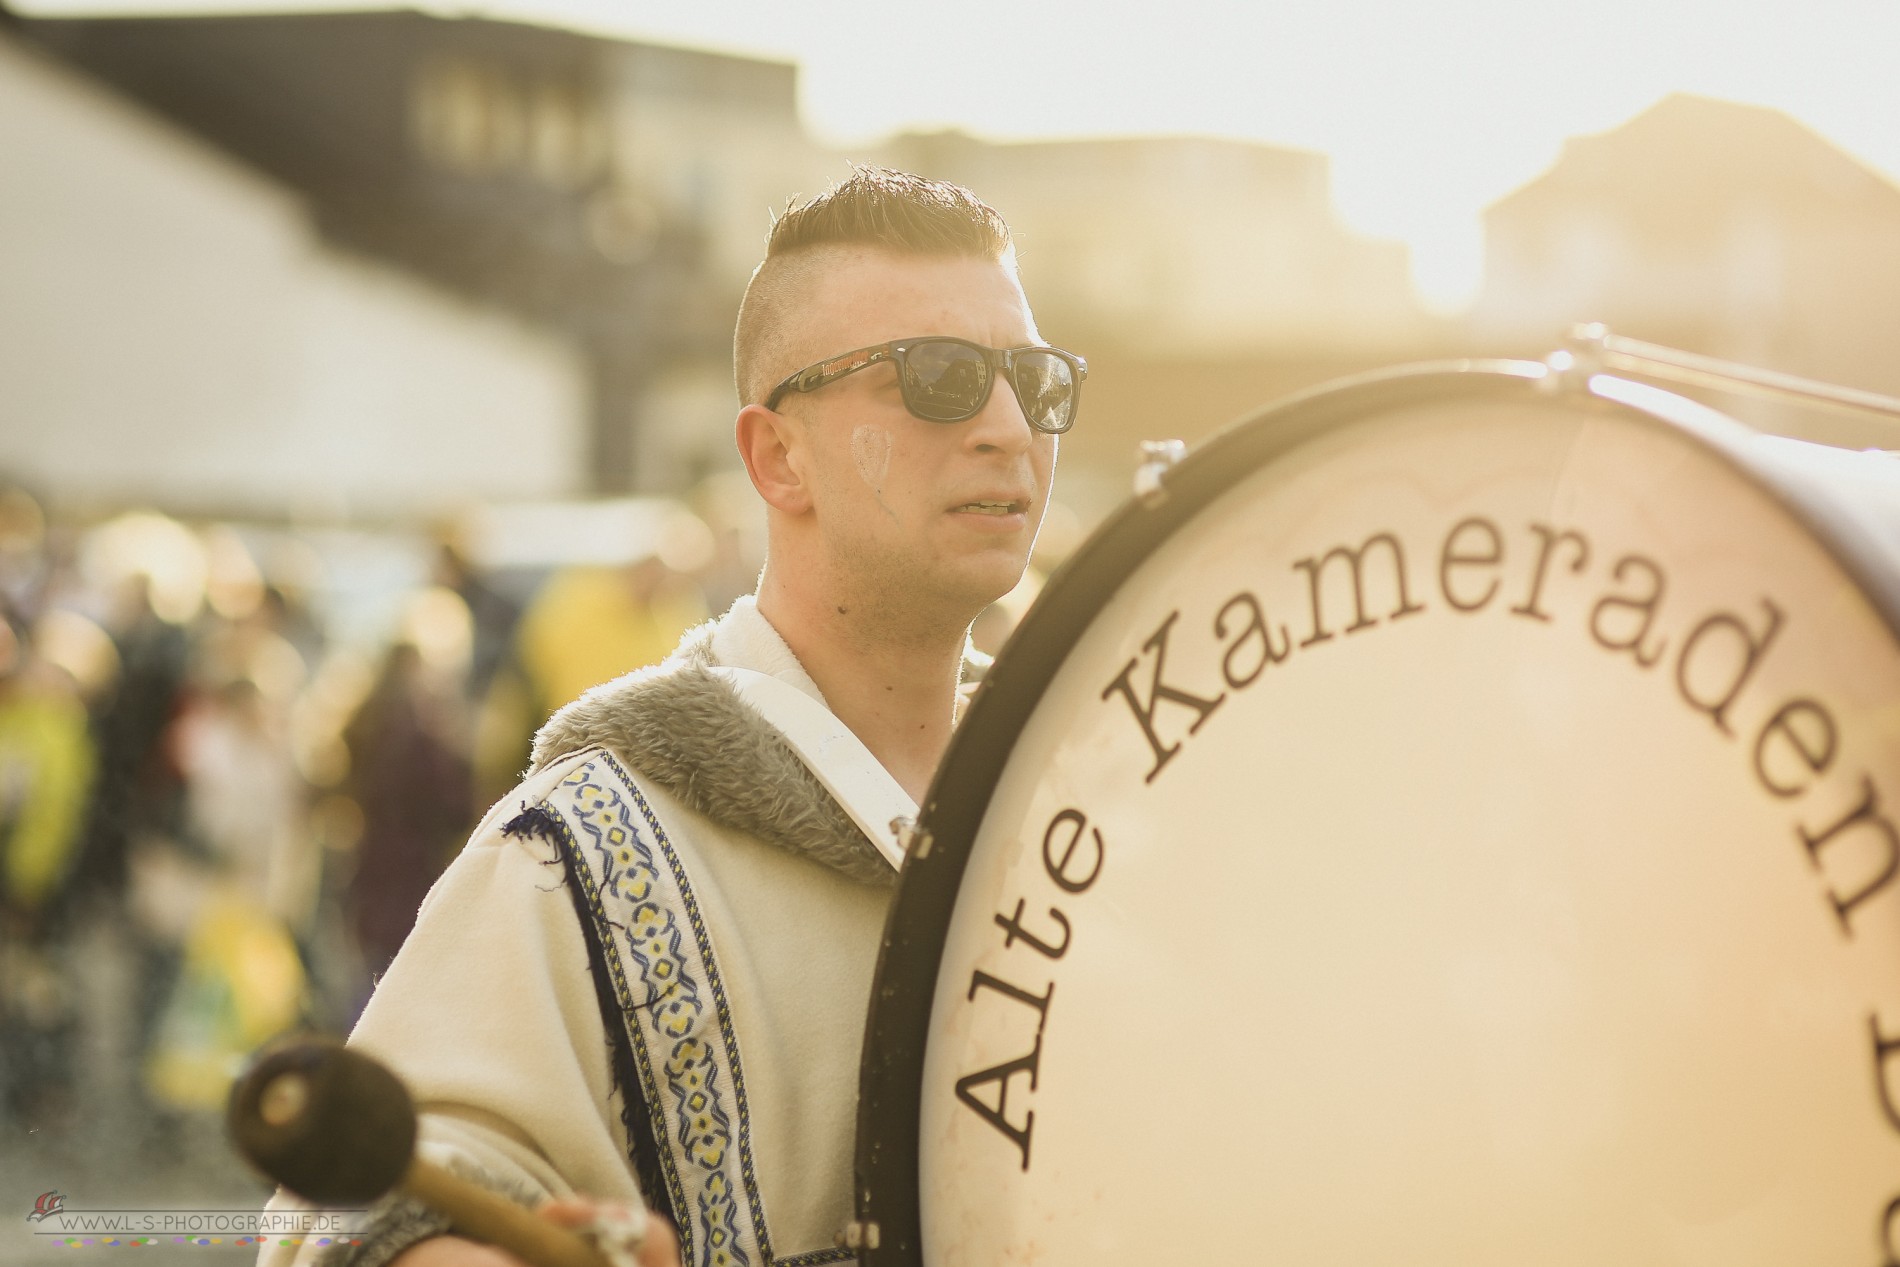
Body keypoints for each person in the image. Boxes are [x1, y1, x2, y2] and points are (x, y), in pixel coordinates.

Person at [264, 166, 1084, 1267]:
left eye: (1033, 380)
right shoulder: (577, 855)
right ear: (775, 457)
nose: (1005, 426)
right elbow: (354, 1221)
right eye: (938, 376)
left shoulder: (1096, 815)